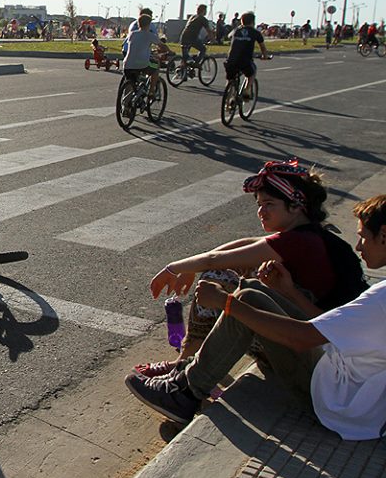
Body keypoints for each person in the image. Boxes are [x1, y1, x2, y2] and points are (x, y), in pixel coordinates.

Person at [126, 195, 386, 440]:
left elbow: (303, 339)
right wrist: (289, 293)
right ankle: (187, 374)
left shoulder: (381, 297)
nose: (359, 245)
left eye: (364, 237)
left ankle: (184, 392)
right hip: (353, 389)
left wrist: (224, 302)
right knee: (255, 290)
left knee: (245, 300)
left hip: (336, 399)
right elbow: (330, 328)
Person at [136, 159, 368, 379]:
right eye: (259, 205)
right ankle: (188, 361)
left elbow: (215, 260)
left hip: (317, 354)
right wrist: (190, 267)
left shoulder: (298, 242)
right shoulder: (310, 234)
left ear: (296, 206)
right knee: (235, 275)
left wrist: (173, 268)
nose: (261, 211)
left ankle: (186, 368)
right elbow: (246, 244)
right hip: (322, 344)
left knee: (215, 278)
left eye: (269, 205)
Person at [120, 13, 171, 100]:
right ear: (149, 24)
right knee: (156, 66)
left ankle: (126, 104)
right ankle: (151, 92)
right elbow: (162, 46)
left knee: (130, 82)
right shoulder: (150, 35)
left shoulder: (132, 34)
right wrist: (170, 52)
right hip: (142, 64)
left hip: (127, 64)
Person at [224, 12, 267, 98]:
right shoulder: (255, 32)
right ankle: (247, 90)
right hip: (245, 61)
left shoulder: (236, 30)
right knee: (252, 72)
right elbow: (263, 47)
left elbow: (229, 36)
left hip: (231, 60)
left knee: (230, 79)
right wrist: (264, 56)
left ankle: (227, 101)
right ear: (252, 22)